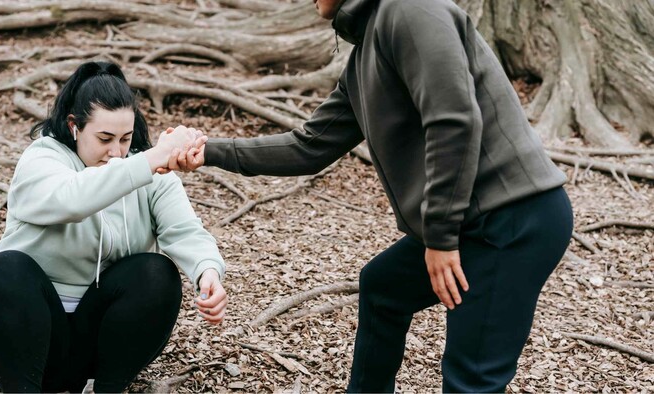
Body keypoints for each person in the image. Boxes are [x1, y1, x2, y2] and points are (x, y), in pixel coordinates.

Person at [167, 0, 574, 392]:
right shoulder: (363, 58)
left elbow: (454, 120)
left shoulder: (412, 9)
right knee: (383, 288)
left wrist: (440, 237)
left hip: (512, 221)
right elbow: (308, 146)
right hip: (471, 221)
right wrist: (210, 151)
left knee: (472, 379)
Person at [0, 61, 227, 393]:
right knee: (6, 267)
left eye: (125, 139)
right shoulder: (42, 159)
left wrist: (207, 272)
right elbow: (71, 200)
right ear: (74, 126)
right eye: (104, 138)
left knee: (156, 271)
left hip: (91, 341)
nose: (116, 152)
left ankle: (106, 388)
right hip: (17, 338)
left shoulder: (148, 169)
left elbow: (185, 230)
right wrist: (150, 158)